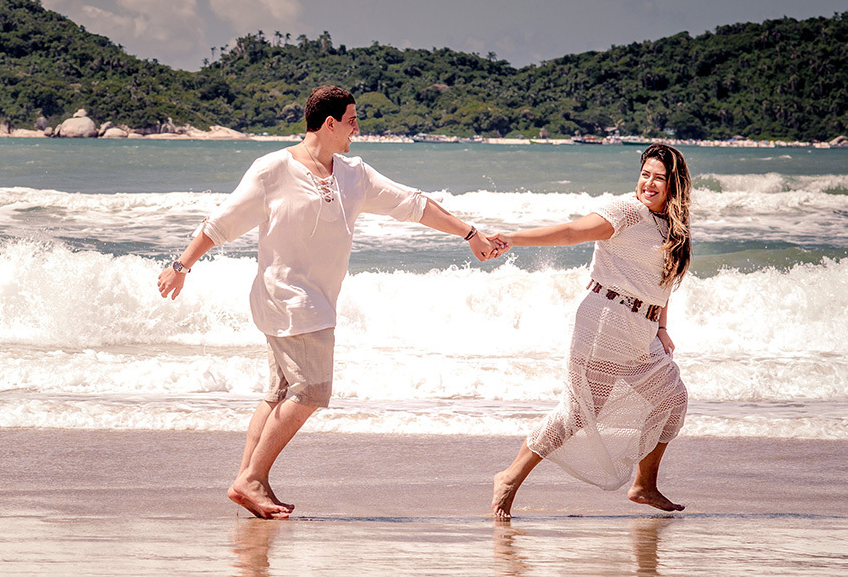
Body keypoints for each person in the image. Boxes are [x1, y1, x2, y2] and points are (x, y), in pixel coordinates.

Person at [157, 85, 497, 519]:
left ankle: (248, 479)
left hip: (316, 299)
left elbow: (413, 204)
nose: (358, 127)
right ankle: (251, 478)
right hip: (287, 298)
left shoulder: (354, 174)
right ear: (330, 123)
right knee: (313, 391)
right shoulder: (272, 170)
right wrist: (181, 266)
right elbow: (222, 223)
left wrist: (470, 234)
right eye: (353, 119)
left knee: (280, 392)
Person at [488, 143, 692, 519]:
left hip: (641, 331)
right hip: (605, 322)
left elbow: (661, 281)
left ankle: (644, 485)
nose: (648, 184)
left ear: (674, 185)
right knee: (578, 413)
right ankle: (510, 478)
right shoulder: (626, 211)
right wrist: (513, 238)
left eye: (658, 178)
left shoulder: (671, 226)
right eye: (644, 174)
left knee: (672, 400)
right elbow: (570, 233)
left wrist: (661, 326)